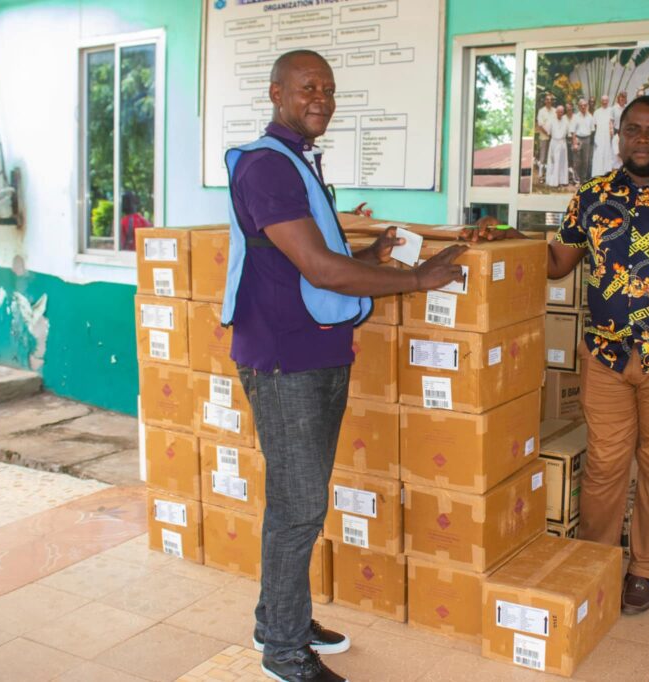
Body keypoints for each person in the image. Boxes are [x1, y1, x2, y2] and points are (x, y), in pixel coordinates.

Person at [223, 49, 466, 682]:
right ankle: (281, 650)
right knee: (297, 506)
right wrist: (416, 276)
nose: (321, 99)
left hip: (316, 348)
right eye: (307, 88)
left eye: (328, 89)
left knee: (300, 499)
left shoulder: (298, 161)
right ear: (276, 92)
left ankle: (280, 618)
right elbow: (321, 269)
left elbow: (311, 252)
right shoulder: (266, 167)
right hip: (286, 359)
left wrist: (370, 248)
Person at [466, 96, 649, 615]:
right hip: (606, 355)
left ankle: (642, 569)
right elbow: (558, 262)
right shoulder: (592, 196)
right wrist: (512, 236)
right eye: (633, 130)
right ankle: (596, 562)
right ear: (618, 136)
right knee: (603, 464)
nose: (642, 139)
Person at [571, 97, 595, 183]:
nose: (583, 107)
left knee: (586, 161)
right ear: (579, 107)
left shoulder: (590, 117)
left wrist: (589, 141)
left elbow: (592, 130)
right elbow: (573, 131)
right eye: (581, 105)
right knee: (577, 161)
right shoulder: (575, 117)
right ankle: (576, 180)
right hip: (578, 138)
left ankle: (583, 179)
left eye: (585, 105)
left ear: (587, 106)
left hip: (587, 139)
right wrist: (574, 143)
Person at [545, 105, 571, 187]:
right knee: (554, 161)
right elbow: (548, 132)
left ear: (563, 112)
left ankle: (562, 181)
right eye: (559, 111)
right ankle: (553, 181)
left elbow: (568, 133)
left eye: (562, 112)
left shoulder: (566, 121)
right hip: (554, 142)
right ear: (556, 112)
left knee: (562, 162)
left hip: (563, 143)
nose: (560, 113)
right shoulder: (551, 120)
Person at [591, 95, 616, 177]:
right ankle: (597, 173)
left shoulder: (611, 110)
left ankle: (607, 173)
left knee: (607, 153)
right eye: (603, 100)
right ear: (601, 101)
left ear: (608, 101)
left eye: (606, 100)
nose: (604, 102)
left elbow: (612, 123)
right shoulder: (596, 112)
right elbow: (594, 126)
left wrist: (611, 133)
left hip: (608, 136)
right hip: (598, 135)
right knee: (598, 153)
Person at [536, 92, 556, 182]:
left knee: (551, 156)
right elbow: (540, 125)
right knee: (543, 157)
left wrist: (553, 134)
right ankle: (541, 175)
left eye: (550, 100)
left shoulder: (555, 110)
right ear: (545, 101)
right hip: (544, 137)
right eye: (547, 99)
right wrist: (548, 133)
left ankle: (549, 175)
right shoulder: (541, 111)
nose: (549, 101)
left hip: (553, 138)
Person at [611, 91, 628, 169]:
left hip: (625, 132)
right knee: (616, 152)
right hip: (616, 132)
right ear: (619, 98)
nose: (622, 99)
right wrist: (611, 130)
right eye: (621, 97)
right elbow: (611, 121)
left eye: (624, 97)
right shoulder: (614, 108)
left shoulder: (627, 108)